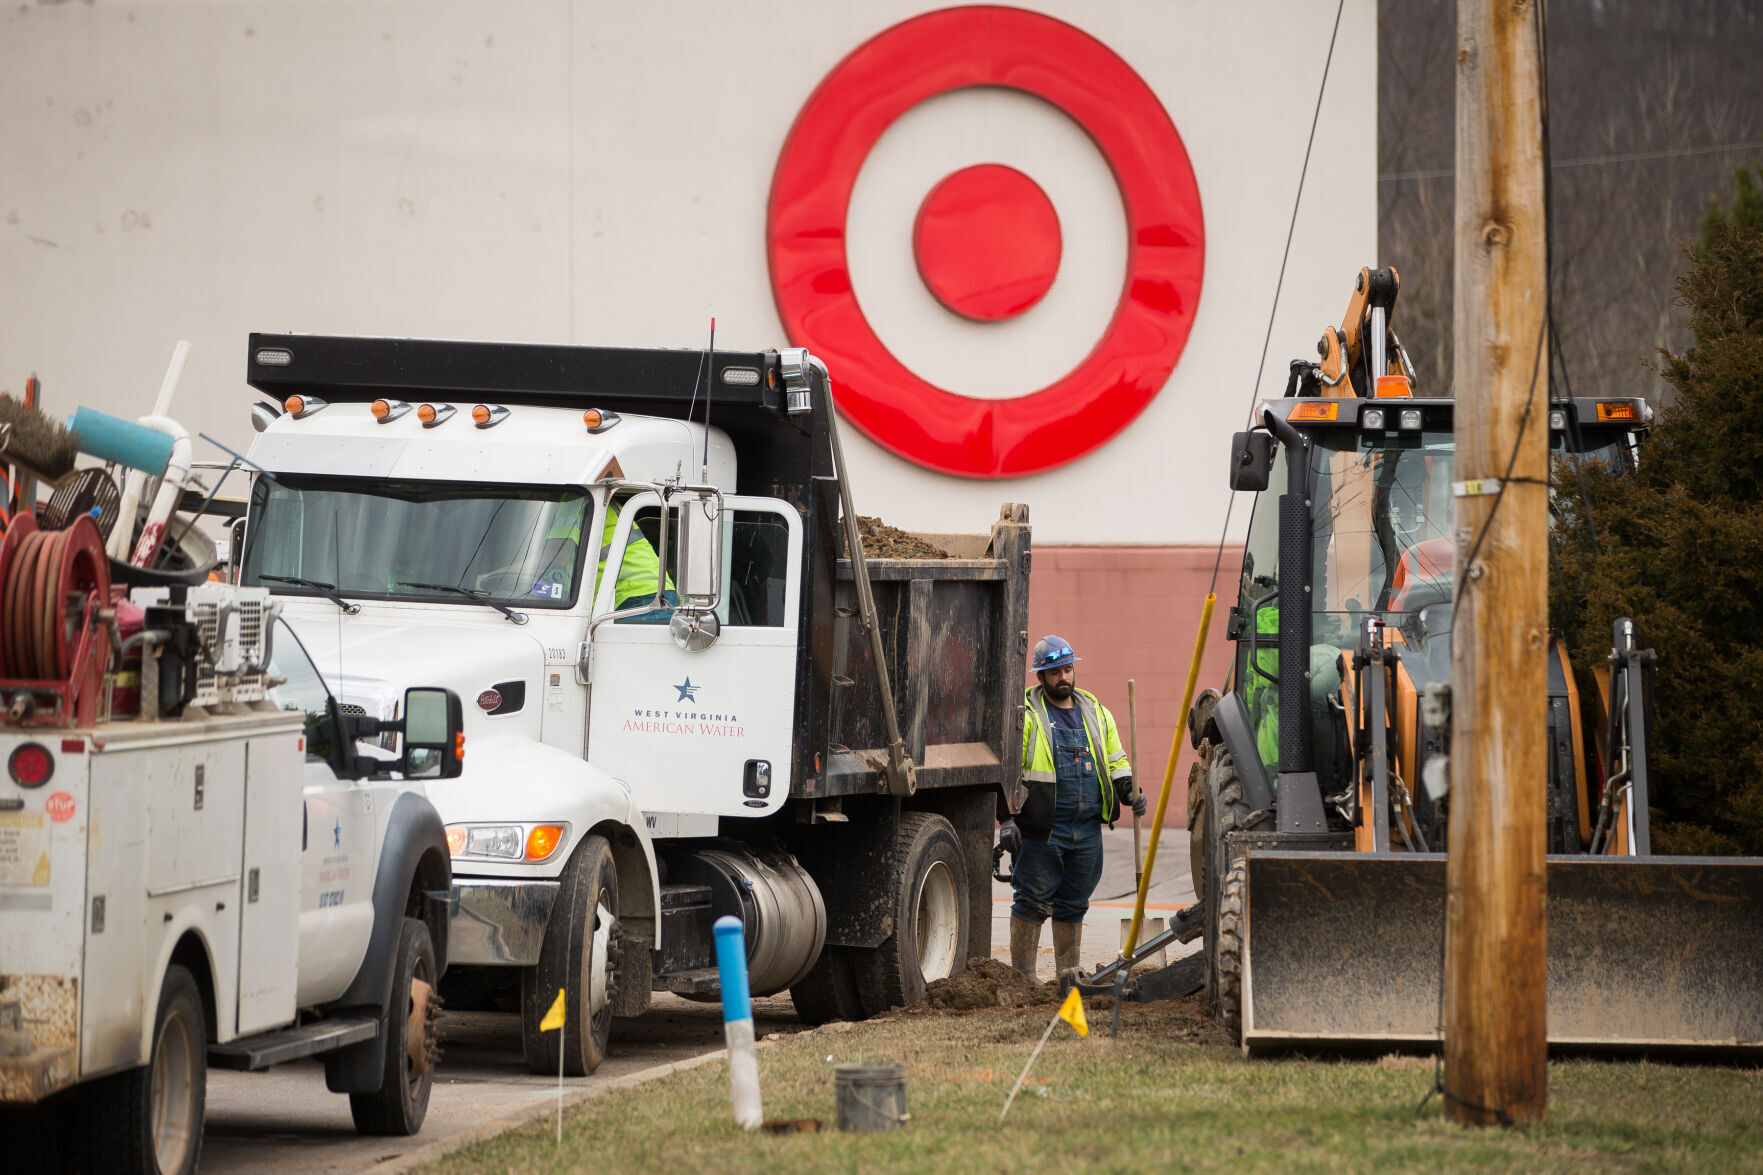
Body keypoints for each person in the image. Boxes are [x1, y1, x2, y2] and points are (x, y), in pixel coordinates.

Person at [998, 635, 1145, 982]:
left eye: (1067, 669)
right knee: (1032, 901)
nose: (1063, 677)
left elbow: (1116, 758)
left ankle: (1068, 975)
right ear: (1041, 677)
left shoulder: (1095, 712)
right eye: (1054, 672)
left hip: (1087, 829)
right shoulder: (1026, 715)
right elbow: (1006, 768)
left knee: (1074, 902)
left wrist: (1128, 789)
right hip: (1042, 829)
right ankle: (1024, 979)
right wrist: (1005, 818)